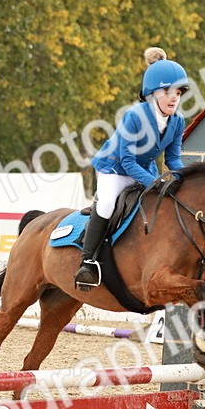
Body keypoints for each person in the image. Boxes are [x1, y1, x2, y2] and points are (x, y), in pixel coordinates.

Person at [75, 47, 190, 290]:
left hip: (144, 169)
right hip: (114, 168)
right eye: (168, 92)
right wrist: (155, 182)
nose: (174, 98)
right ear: (152, 94)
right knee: (107, 203)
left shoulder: (178, 121)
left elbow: (173, 159)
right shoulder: (135, 116)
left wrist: (185, 179)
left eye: (178, 93)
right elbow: (127, 161)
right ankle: (87, 262)